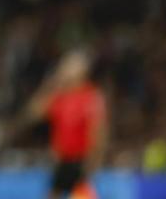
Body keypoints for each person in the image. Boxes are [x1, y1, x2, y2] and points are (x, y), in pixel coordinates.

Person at [20, 50, 108, 199]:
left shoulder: (91, 95)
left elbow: (98, 130)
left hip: (81, 161)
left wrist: (95, 159)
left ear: (83, 70)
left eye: (70, 66)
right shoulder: (59, 95)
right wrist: (51, 85)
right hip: (61, 161)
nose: (65, 69)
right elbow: (32, 114)